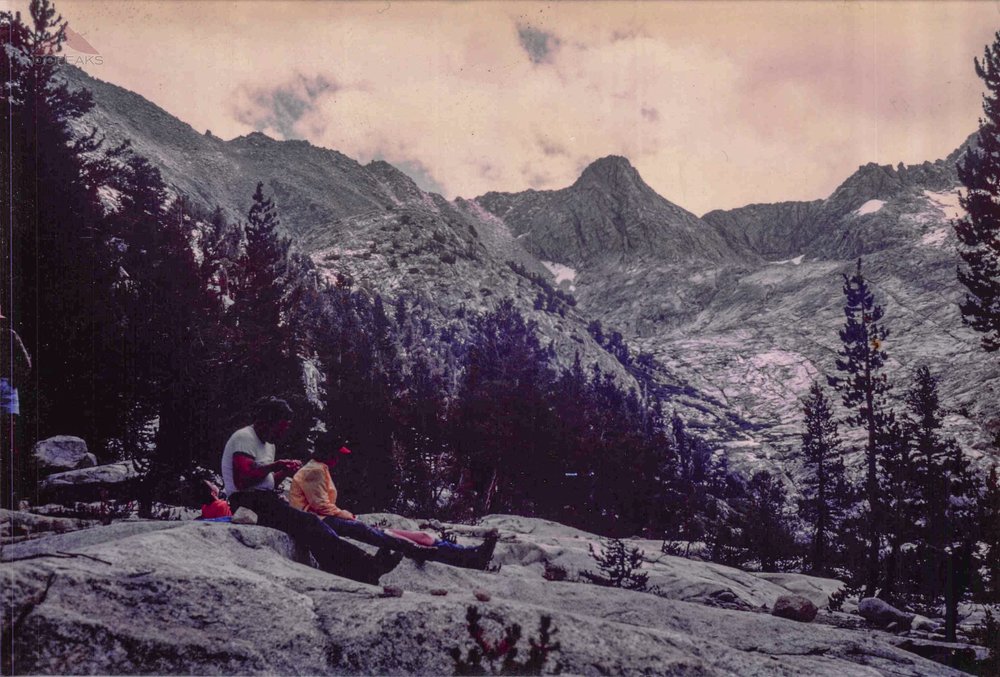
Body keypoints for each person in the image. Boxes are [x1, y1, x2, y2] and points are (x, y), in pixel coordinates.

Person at [222, 396, 402, 585]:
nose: (281, 434)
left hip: (263, 498)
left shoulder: (269, 445)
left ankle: (360, 567)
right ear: (266, 421)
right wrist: (275, 465)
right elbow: (242, 480)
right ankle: (365, 567)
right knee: (309, 522)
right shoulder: (244, 437)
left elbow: (265, 482)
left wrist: (283, 472)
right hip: (246, 501)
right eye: (280, 428)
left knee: (308, 526)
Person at [289, 437, 498, 570]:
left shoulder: (320, 468)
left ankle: (468, 554)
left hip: (329, 519)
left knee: (423, 536)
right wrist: (348, 515)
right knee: (397, 537)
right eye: (336, 454)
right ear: (328, 453)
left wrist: (347, 515)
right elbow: (320, 507)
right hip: (323, 521)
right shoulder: (314, 470)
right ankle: (467, 556)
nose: (338, 459)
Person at [1, 305, 31, 509]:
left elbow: (26, 364)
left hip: (7, 390)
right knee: (9, 444)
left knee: (10, 444)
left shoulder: (10, 336)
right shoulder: (10, 335)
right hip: (8, 389)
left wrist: (13, 381)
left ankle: (11, 497)